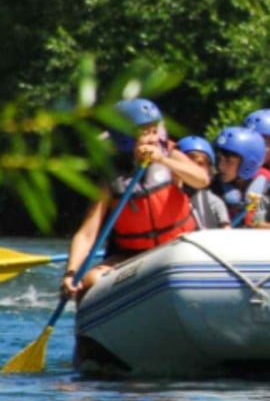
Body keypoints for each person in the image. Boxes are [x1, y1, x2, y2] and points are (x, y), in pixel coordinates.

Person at [61, 98, 210, 299]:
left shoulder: (170, 155)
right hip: (133, 256)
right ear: (125, 137)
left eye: (154, 131)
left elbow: (202, 180)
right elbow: (88, 233)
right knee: (90, 282)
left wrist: (162, 160)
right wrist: (71, 273)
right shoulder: (111, 178)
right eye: (145, 132)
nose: (153, 139)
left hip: (179, 246)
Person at [211, 125, 270, 224]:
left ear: (248, 163)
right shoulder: (211, 187)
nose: (220, 167)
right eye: (219, 158)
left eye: (229, 159)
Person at [178, 135, 230, 230]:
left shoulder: (214, 202)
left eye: (201, 163)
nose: (194, 168)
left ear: (209, 170)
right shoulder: (164, 193)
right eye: (189, 161)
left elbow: (226, 233)